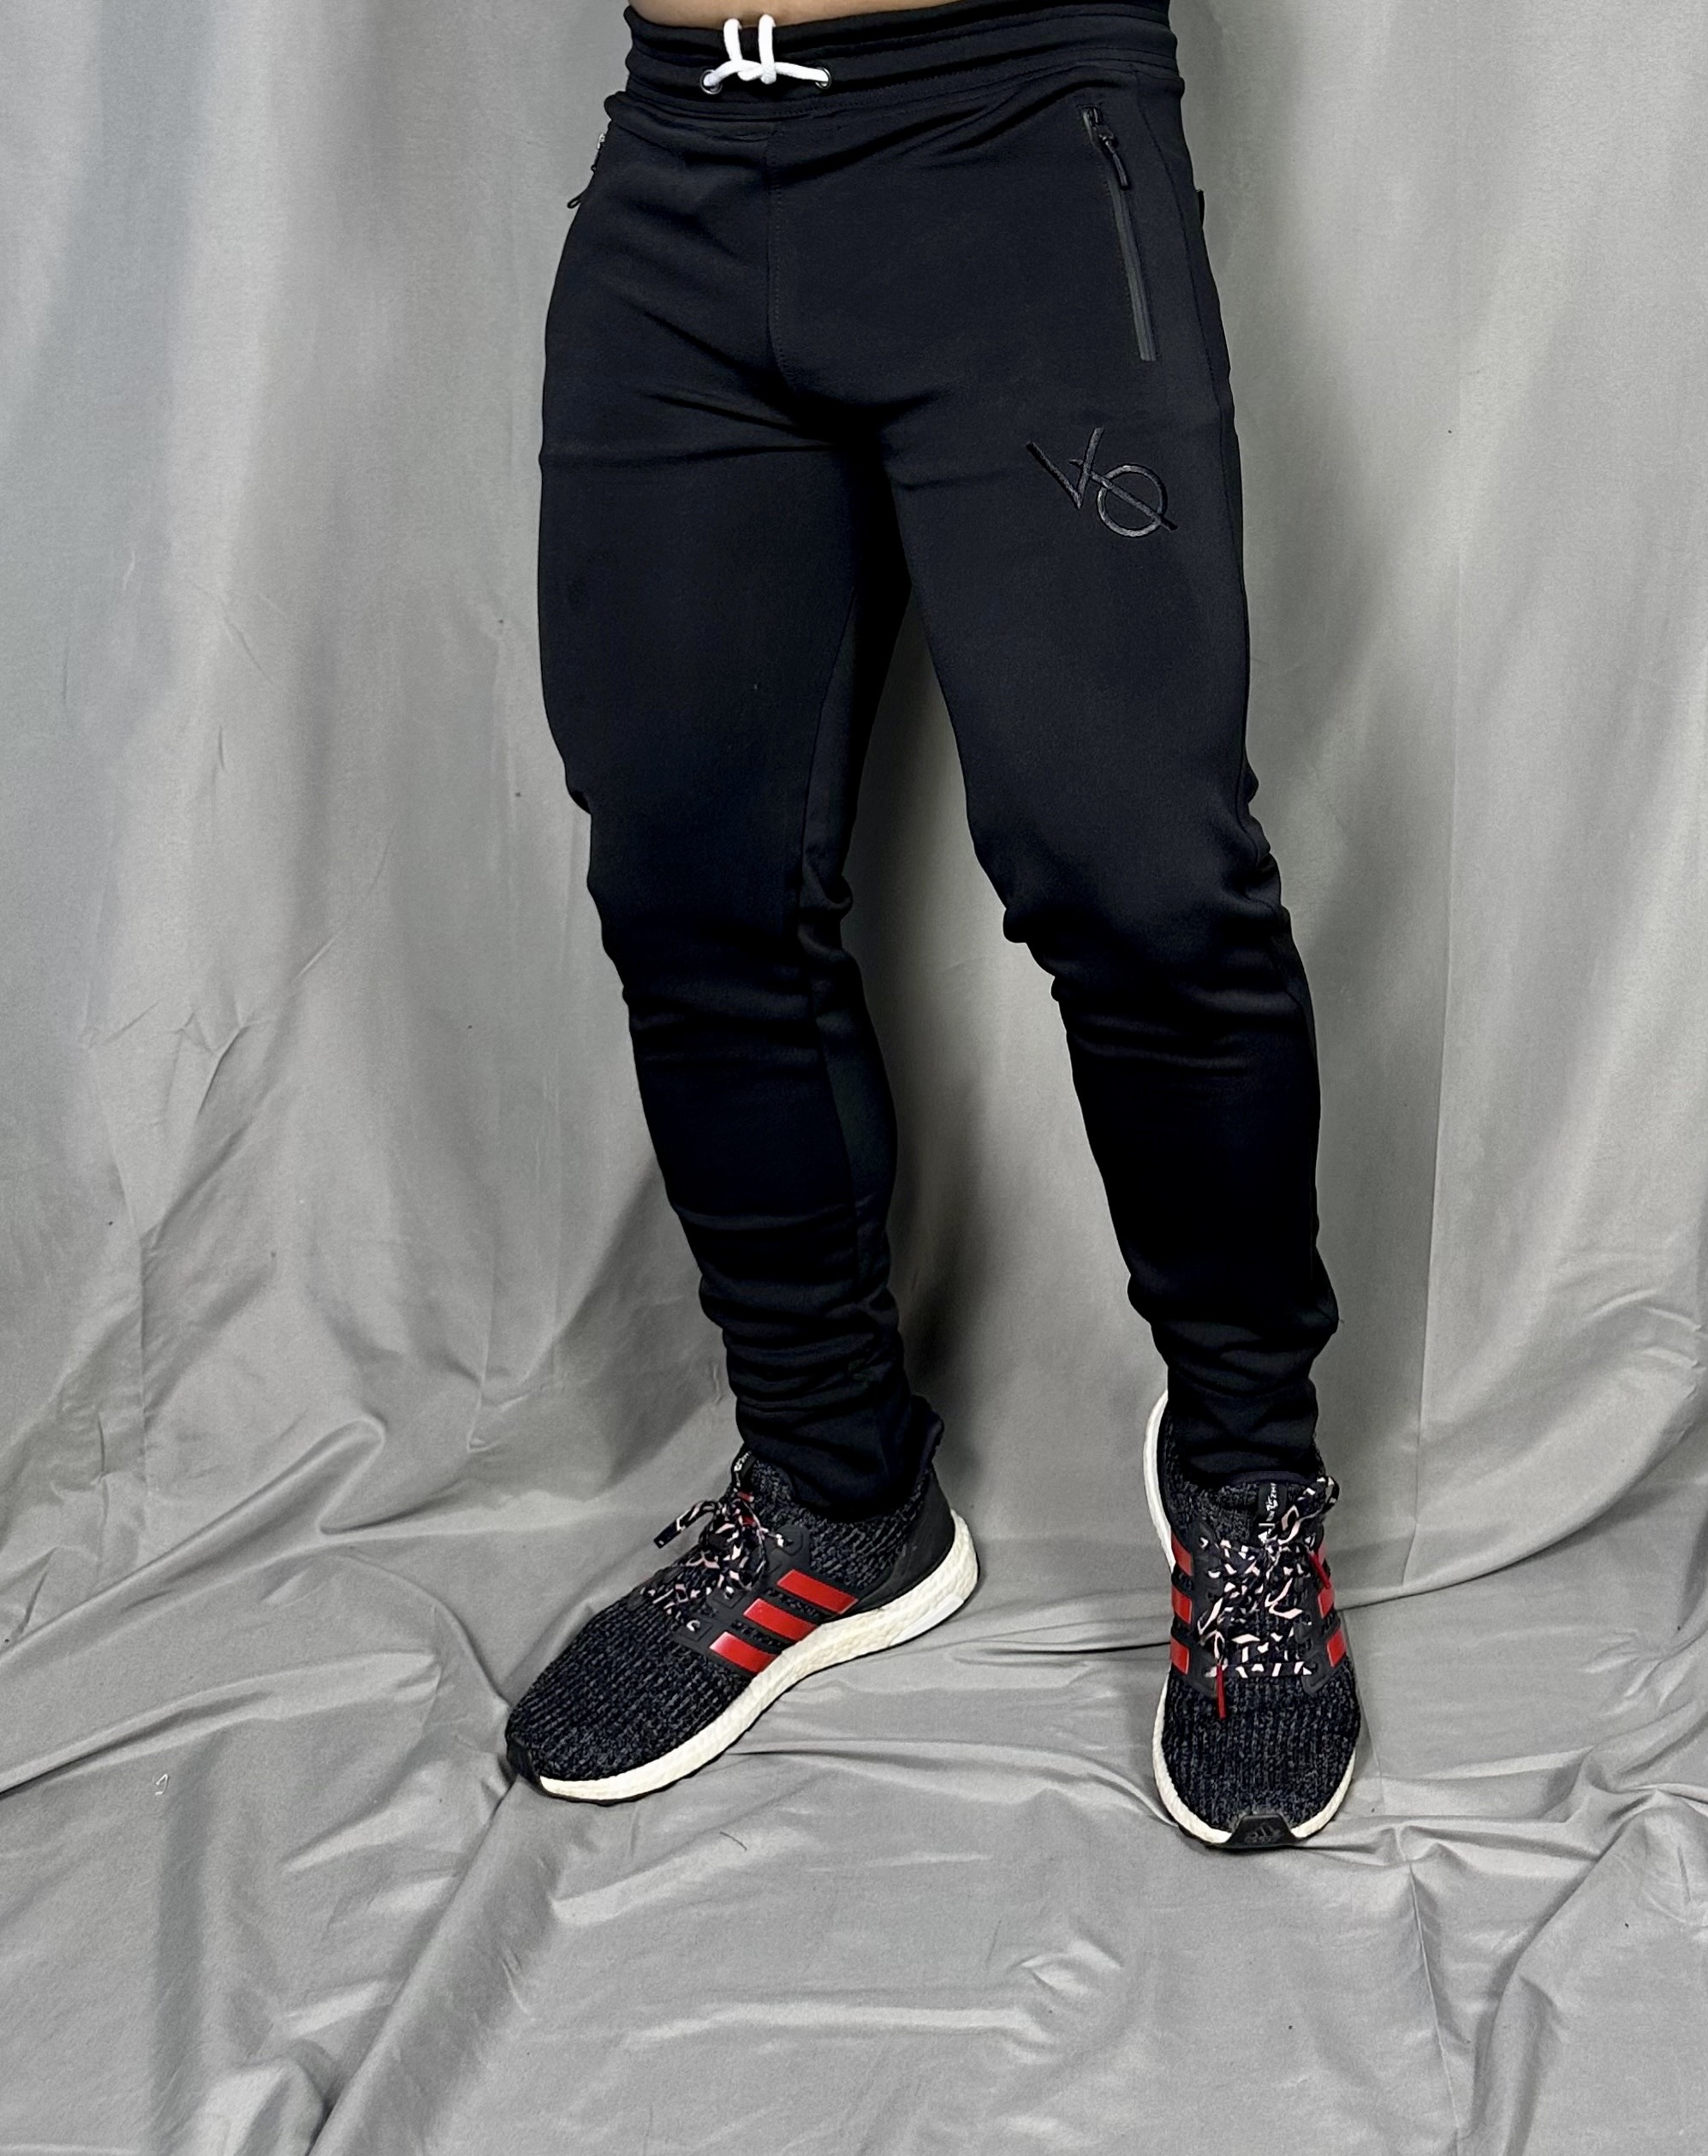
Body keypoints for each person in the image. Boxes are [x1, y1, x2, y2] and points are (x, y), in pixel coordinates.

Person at [505, 0, 1360, 1851]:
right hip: (680, 167)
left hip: (1013, 140)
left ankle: (1246, 1481)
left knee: (1141, 883)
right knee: (692, 886)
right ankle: (837, 1492)